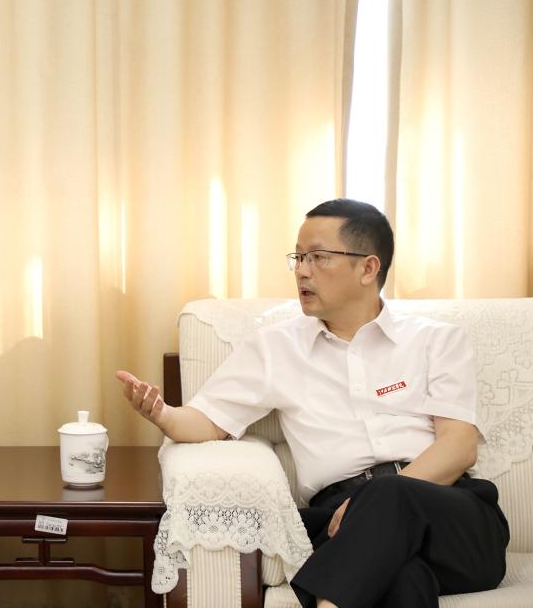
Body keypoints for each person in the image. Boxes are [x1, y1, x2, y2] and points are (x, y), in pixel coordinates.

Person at [117, 198, 509, 608]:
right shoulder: (277, 347)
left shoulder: (436, 340)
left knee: (389, 497)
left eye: (319, 257)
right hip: (338, 520)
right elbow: (208, 421)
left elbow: (458, 447)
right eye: (298, 257)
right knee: (402, 579)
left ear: (368, 268)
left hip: (451, 519)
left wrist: (370, 504)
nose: (302, 271)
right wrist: (162, 414)